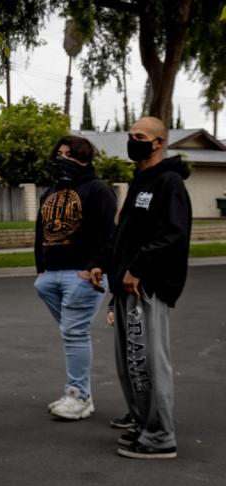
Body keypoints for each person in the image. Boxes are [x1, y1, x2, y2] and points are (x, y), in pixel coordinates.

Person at [91, 116, 191, 460]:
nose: (133, 141)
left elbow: (173, 235)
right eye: (130, 135)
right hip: (125, 285)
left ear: (159, 142)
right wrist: (103, 264)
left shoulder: (169, 183)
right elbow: (124, 234)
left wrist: (137, 268)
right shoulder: (140, 182)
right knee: (129, 362)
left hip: (146, 286)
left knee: (146, 361)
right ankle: (143, 423)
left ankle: (161, 436)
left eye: (140, 136)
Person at [34, 136, 116, 420]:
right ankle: (82, 396)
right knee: (73, 335)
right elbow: (39, 232)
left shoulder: (98, 190)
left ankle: (77, 396)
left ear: (84, 158)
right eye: (59, 154)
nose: (62, 159)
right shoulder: (50, 193)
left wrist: (94, 266)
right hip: (50, 276)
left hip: (82, 274)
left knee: (74, 334)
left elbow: (108, 234)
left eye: (69, 154)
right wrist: (40, 270)